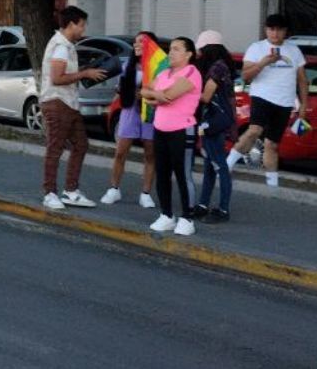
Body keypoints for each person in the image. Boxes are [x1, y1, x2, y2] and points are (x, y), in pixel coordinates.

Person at [39, 6, 108, 210]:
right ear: (71, 24)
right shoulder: (61, 47)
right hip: (57, 101)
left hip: (68, 103)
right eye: (82, 24)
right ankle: (50, 193)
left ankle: (70, 191)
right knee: (55, 148)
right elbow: (57, 78)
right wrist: (85, 74)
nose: (84, 29)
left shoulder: (67, 45)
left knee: (81, 144)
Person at [228, 13, 308, 187]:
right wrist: (263, 63)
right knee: (254, 130)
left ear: (285, 31)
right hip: (262, 96)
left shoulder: (294, 50)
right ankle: (227, 165)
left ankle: (272, 184)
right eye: (271, 29)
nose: (275, 34)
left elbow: (302, 80)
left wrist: (303, 106)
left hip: (285, 102)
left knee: (272, 144)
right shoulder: (256, 48)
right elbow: (245, 76)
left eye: (279, 30)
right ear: (266, 30)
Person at [140, 36, 202, 236]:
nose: (171, 53)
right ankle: (166, 214)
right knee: (162, 173)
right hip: (160, 129)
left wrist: (155, 96)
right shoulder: (165, 73)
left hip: (181, 130)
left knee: (183, 174)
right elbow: (144, 91)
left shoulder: (192, 72)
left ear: (189, 54)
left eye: (176, 49)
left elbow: (170, 95)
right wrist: (158, 96)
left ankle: (187, 217)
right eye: (170, 49)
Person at [101, 30, 159, 209]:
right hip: (130, 110)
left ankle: (146, 193)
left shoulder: (158, 66)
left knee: (150, 153)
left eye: (142, 41)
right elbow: (120, 88)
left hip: (150, 112)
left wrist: (148, 94)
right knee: (120, 151)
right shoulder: (130, 65)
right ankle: (114, 188)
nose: (137, 45)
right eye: (135, 42)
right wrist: (130, 92)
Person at [192, 32, 236, 224]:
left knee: (219, 165)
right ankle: (203, 205)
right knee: (210, 163)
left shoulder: (217, 68)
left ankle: (223, 209)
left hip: (213, 124)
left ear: (208, 49)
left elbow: (206, 97)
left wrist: (185, 92)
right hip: (212, 123)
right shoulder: (221, 66)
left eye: (201, 50)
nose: (199, 54)